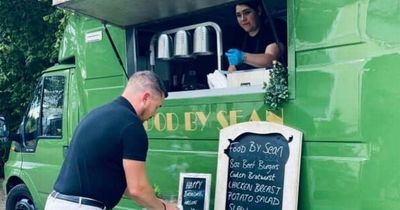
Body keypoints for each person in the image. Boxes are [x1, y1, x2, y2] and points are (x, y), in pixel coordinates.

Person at [45, 71, 178, 210]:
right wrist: (165, 208)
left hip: (57, 202)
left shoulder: (97, 114)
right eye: (157, 107)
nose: (155, 114)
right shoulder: (131, 126)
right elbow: (137, 189)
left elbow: (122, 183)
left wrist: (153, 200)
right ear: (146, 98)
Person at [225, 0, 287, 72]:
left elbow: (271, 59)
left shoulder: (273, 26)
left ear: (259, 10)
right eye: (238, 15)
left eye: (247, 13)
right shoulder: (239, 36)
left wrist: (243, 57)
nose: (243, 19)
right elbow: (232, 69)